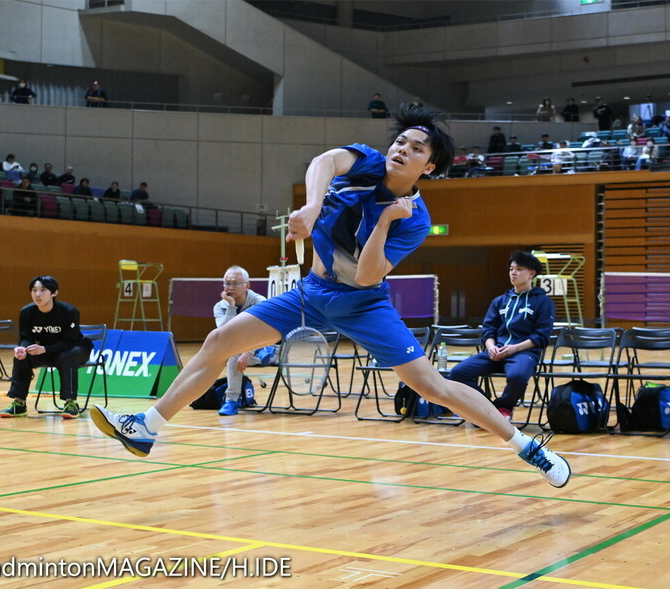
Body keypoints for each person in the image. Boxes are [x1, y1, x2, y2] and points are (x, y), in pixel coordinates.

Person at [90, 104, 571, 488]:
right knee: (219, 342)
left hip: (363, 304)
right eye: (400, 141)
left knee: (433, 386)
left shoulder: (415, 219)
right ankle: (147, 427)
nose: (402, 149)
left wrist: (383, 221)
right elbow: (324, 161)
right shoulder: (363, 160)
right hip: (310, 292)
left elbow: (366, 278)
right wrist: (311, 204)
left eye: (417, 148)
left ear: (432, 165)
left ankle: (528, 447)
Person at [447, 251, 554, 422]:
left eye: (519, 269)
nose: (513, 273)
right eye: (511, 269)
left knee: (518, 376)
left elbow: (541, 336)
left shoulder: (543, 302)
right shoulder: (499, 301)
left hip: (523, 353)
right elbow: (488, 330)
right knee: (458, 372)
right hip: (495, 353)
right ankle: (486, 409)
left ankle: (504, 406)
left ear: (531, 273)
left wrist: (514, 348)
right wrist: (491, 348)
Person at [0, 276, 93, 419]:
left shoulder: (69, 311)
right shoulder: (26, 312)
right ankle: (19, 403)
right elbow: (26, 338)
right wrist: (22, 348)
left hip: (75, 348)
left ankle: (70, 403)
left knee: (66, 356)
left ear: (54, 293)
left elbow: (70, 341)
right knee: (21, 358)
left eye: (43, 290)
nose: (37, 294)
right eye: (34, 290)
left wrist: (45, 349)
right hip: (48, 350)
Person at [213, 265, 278, 416]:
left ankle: (265, 351)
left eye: (235, 283)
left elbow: (262, 331)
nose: (230, 287)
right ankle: (231, 402)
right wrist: (230, 307)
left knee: (258, 343)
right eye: (227, 283)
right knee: (233, 356)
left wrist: (248, 351)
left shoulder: (259, 301)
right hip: (240, 350)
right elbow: (223, 333)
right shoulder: (219, 307)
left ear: (247, 285)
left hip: (266, 344)